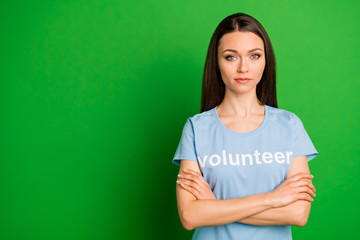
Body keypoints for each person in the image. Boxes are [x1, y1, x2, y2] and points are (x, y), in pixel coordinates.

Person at [171, 12, 319, 240]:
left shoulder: (290, 125)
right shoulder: (196, 129)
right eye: (231, 57)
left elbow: (298, 213)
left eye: (254, 56)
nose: (243, 68)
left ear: (265, 61)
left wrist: (214, 206)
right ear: (217, 63)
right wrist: (273, 199)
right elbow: (190, 216)